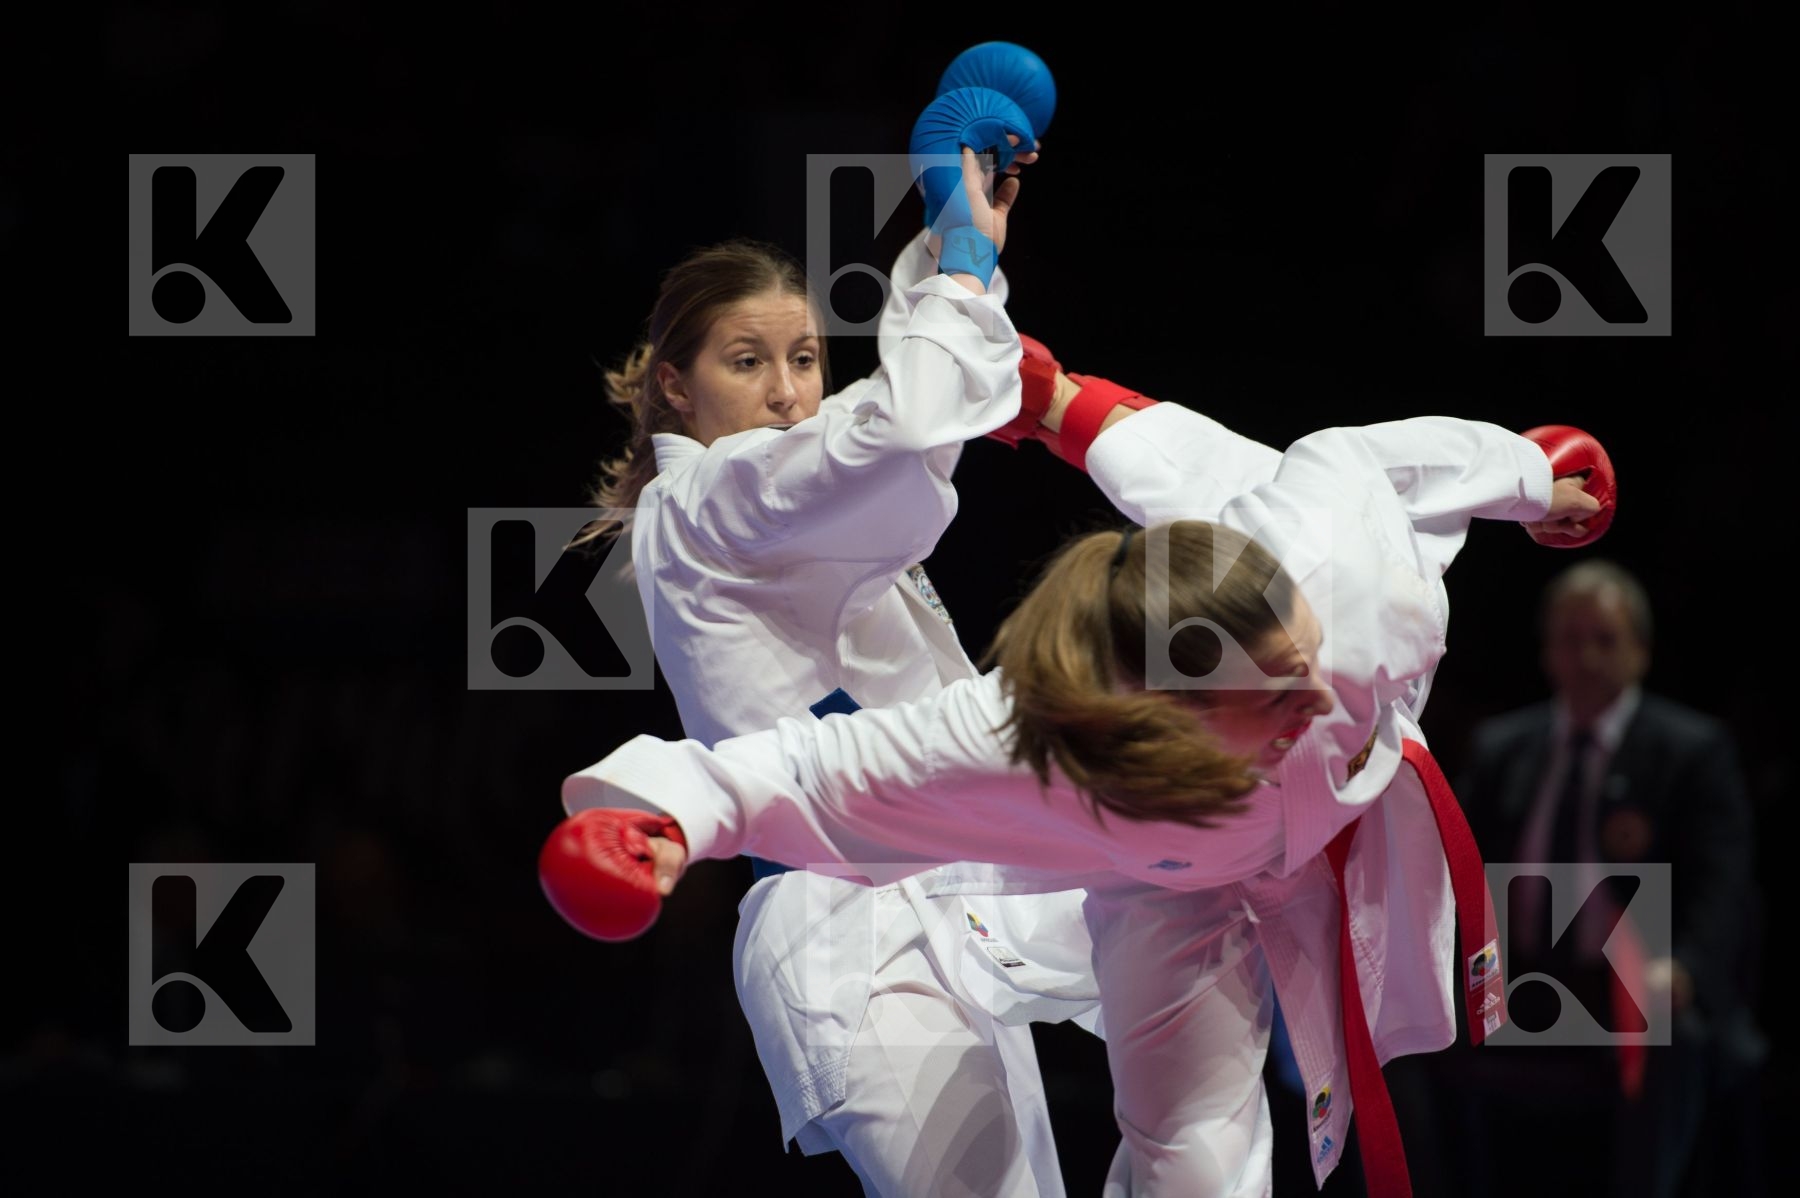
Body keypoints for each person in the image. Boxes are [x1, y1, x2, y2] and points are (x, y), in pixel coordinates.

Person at [563, 394, 1606, 1194]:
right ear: (1161, 713)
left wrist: (1527, 473)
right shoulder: (1036, 747)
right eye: (1276, 691)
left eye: (1306, 658)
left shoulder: (1341, 566)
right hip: (1165, 887)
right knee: (1195, 1159)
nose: (1318, 694)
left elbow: (1359, 457)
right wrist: (656, 820)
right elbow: (809, 767)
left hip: (1329, 831)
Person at [562, 98, 1110, 1196]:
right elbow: (901, 429)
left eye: (805, 358)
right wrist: (959, 262)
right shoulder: (709, 496)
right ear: (675, 385)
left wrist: (958, 250)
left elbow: (904, 432)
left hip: (956, 902)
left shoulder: (789, 510)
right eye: (747, 362)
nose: (786, 392)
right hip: (853, 930)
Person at [1452, 559, 1766, 1198]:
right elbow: (1457, 872)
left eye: (1605, 639)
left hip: (1637, 988)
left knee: (1679, 1038)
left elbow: (1723, 885)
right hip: (1522, 980)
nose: (1587, 657)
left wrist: (1684, 969)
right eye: (1570, 640)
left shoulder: (1691, 750)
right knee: (1422, 1033)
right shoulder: (1502, 748)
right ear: (1547, 652)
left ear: (1640, 651)